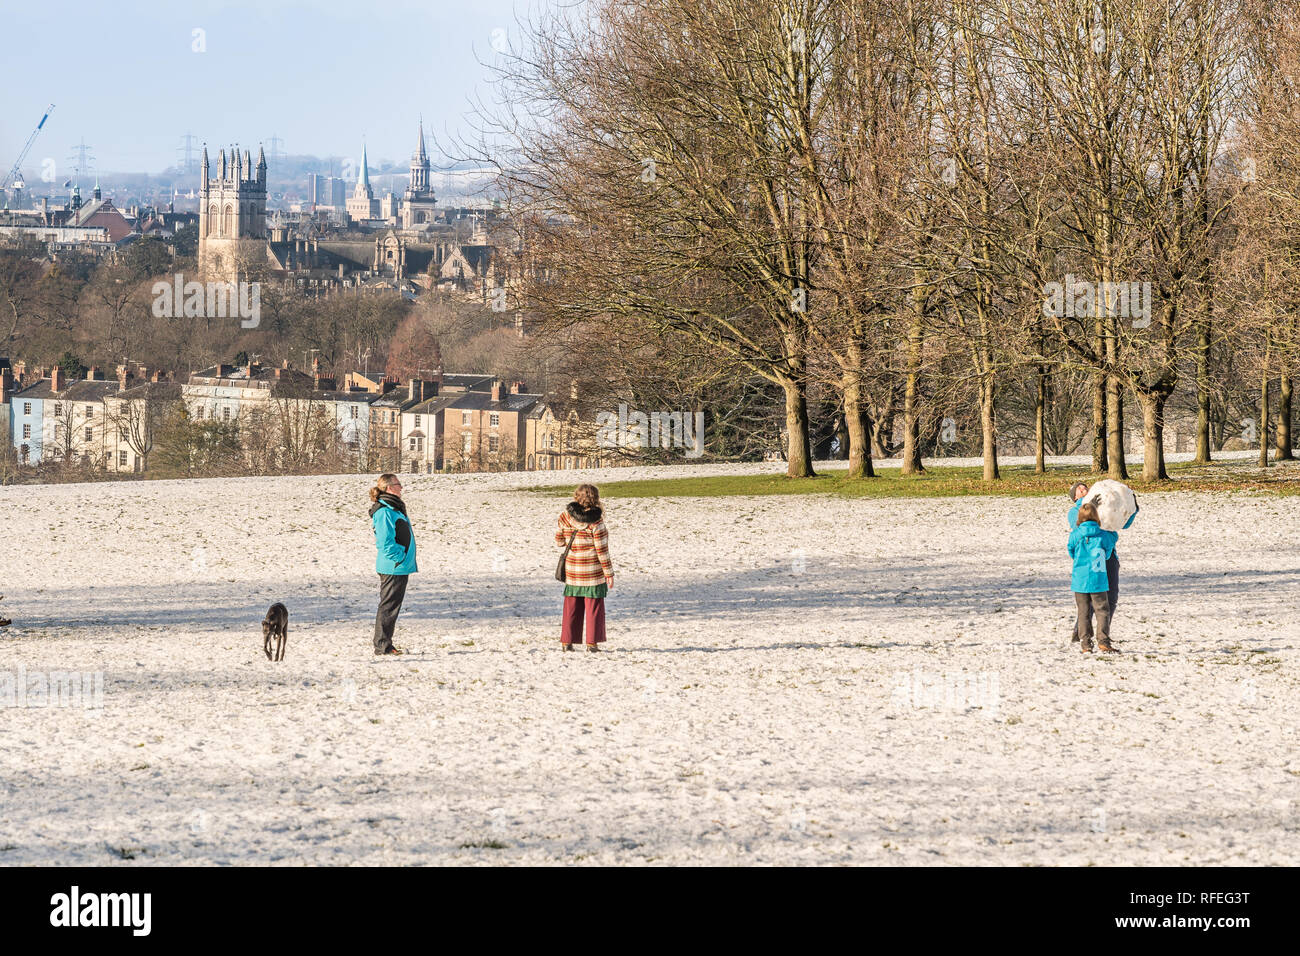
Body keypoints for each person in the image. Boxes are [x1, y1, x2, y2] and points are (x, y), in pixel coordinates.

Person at [1067, 481, 1138, 642]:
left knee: (1111, 597)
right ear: (1075, 497)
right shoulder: (1073, 511)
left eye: (1084, 486)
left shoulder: (1104, 500)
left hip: (1108, 554)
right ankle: (1080, 633)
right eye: (1078, 488)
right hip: (1089, 558)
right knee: (1089, 601)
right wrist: (1089, 507)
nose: (1082, 487)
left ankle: (1103, 633)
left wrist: (1133, 507)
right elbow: (1078, 526)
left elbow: (1122, 523)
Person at [555, 484, 614, 652]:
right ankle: (592, 643)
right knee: (594, 607)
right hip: (593, 572)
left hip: (573, 570)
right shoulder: (596, 522)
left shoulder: (565, 517)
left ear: (576, 497)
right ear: (595, 499)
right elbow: (602, 551)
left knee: (571, 607)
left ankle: (567, 642)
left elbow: (559, 541)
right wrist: (609, 573)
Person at [369, 474, 417, 656]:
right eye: (398, 484)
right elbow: (384, 542)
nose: (401, 488)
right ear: (389, 488)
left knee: (391, 606)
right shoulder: (384, 512)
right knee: (388, 606)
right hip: (393, 566)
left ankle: (385, 643)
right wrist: (400, 557)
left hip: (398, 566)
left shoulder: (394, 509)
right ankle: (382, 645)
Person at [1068, 501, 1119, 653]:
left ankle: (1085, 643)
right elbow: (1110, 546)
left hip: (1080, 580)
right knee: (1102, 610)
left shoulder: (1075, 534)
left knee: (1083, 612)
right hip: (1099, 579)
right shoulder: (1103, 535)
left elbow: (1070, 550)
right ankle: (1103, 640)